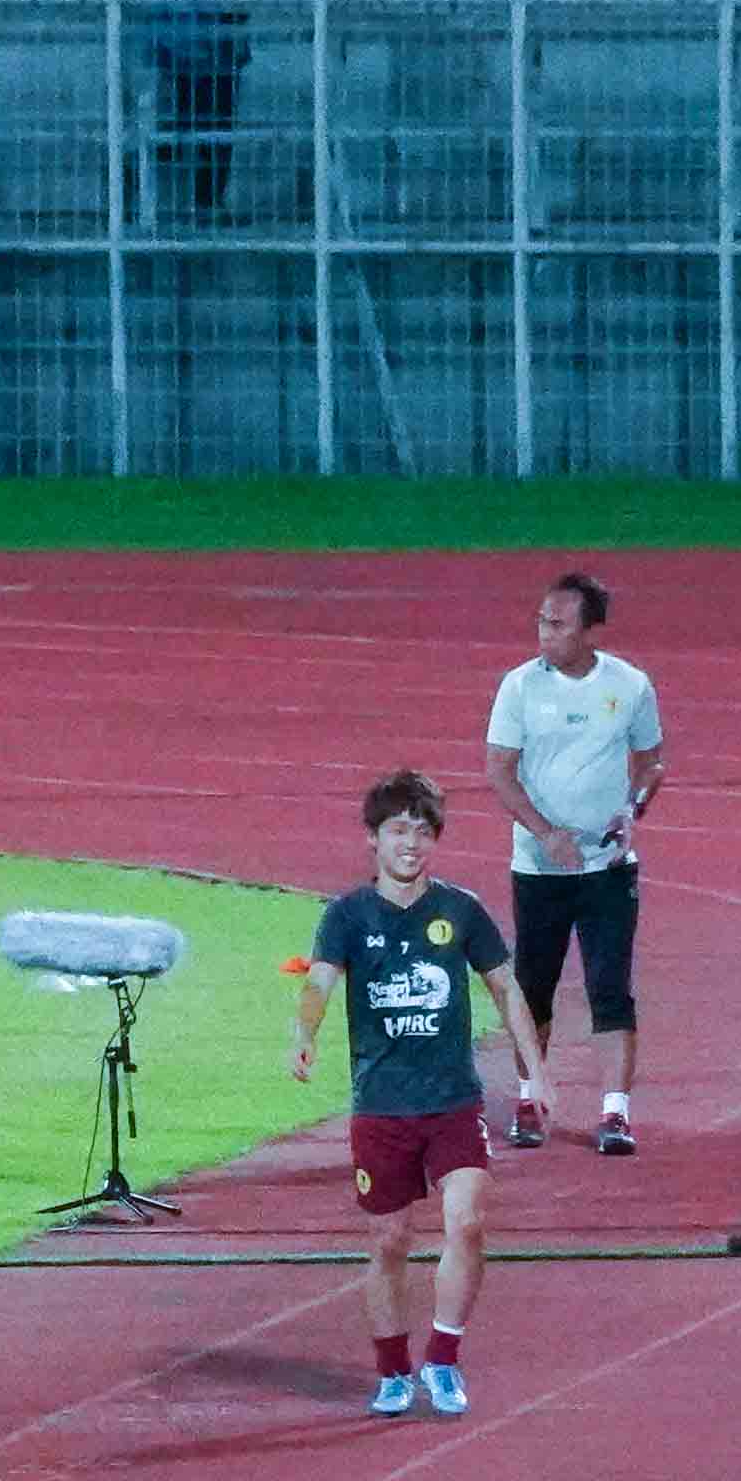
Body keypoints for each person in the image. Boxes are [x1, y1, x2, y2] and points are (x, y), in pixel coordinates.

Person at [300, 771, 522, 1418]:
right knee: (389, 1240)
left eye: (423, 832)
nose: (411, 844)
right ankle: (393, 1370)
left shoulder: (461, 911)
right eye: (399, 830)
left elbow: (505, 986)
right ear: (373, 838)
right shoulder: (346, 915)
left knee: (468, 1223)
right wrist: (304, 1033)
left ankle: (443, 1359)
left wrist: (535, 1070)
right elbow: (319, 983)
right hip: (381, 1106)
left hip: (454, 1101)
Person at [486, 572, 662, 1152]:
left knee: (610, 987)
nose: (544, 632)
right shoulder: (519, 687)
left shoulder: (629, 686)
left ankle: (615, 1113)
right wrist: (545, 834)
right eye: (541, 621)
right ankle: (530, 1099)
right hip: (539, 870)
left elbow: (651, 761)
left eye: (557, 624)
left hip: (608, 868)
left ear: (590, 632)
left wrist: (632, 809)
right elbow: (499, 770)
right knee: (534, 986)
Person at [141, 0, 251, 219]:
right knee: (197, 130)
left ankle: (205, 203)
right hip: (192, 52)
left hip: (211, 51)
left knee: (212, 130)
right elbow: (178, 0)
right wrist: (220, 9)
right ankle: (193, 207)